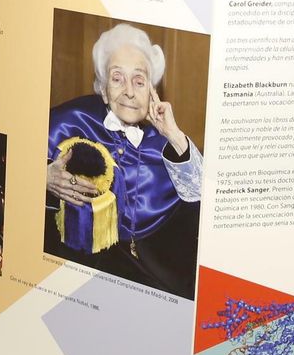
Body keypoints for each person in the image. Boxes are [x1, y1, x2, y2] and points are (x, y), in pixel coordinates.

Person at [45, 23, 202, 298]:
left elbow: (205, 197)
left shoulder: (164, 144)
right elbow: (14, 161)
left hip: (154, 280)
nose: (129, 91)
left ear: (152, 92)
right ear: (103, 90)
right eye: (117, 78)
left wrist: (174, 135)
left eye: (139, 81)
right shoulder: (71, 120)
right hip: (80, 278)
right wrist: (43, 176)